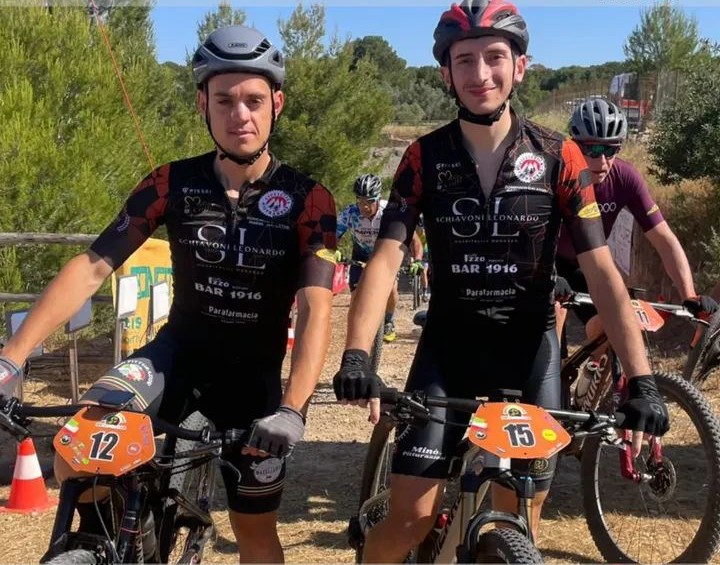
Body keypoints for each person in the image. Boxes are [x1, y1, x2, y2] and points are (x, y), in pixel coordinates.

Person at [332, 0, 669, 560]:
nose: (481, 73)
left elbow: (602, 271)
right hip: (448, 351)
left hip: (529, 352)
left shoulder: (561, 157)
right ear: (446, 73)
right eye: (464, 60)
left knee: (520, 520)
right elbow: (386, 258)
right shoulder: (422, 157)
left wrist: (642, 380)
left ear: (520, 67)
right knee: (410, 517)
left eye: (494, 57)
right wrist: (356, 355)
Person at [0, 25, 337, 563]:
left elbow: (316, 305)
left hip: (252, 382)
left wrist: (293, 409)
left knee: (254, 531)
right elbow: (92, 266)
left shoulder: (310, 199)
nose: (240, 115)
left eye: (253, 100)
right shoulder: (169, 182)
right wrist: (11, 358)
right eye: (224, 100)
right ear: (203, 103)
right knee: (76, 453)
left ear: (276, 104)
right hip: (173, 358)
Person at [555, 97, 718, 351]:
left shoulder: (625, 177)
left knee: (617, 324)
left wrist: (689, 295)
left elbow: (664, 239)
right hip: (549, 261)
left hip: (590, 263)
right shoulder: (557, 172)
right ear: (574, 144)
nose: (602, 161)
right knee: (554, 321)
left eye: (611, 150)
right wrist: (547, 275)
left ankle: (596, 368)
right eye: (593, 150)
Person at [336, 174, 423, 342]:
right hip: (360, 255)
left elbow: (414, 240)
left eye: (369, 201)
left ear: (378, 198)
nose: (364, 206)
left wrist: (418, 260)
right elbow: (332, 236)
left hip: (385, 255)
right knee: (356, 297)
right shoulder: (350, 213)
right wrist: (333, 249)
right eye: (360, 201)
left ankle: (388, 320)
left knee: (391, 289)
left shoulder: (390, 212)